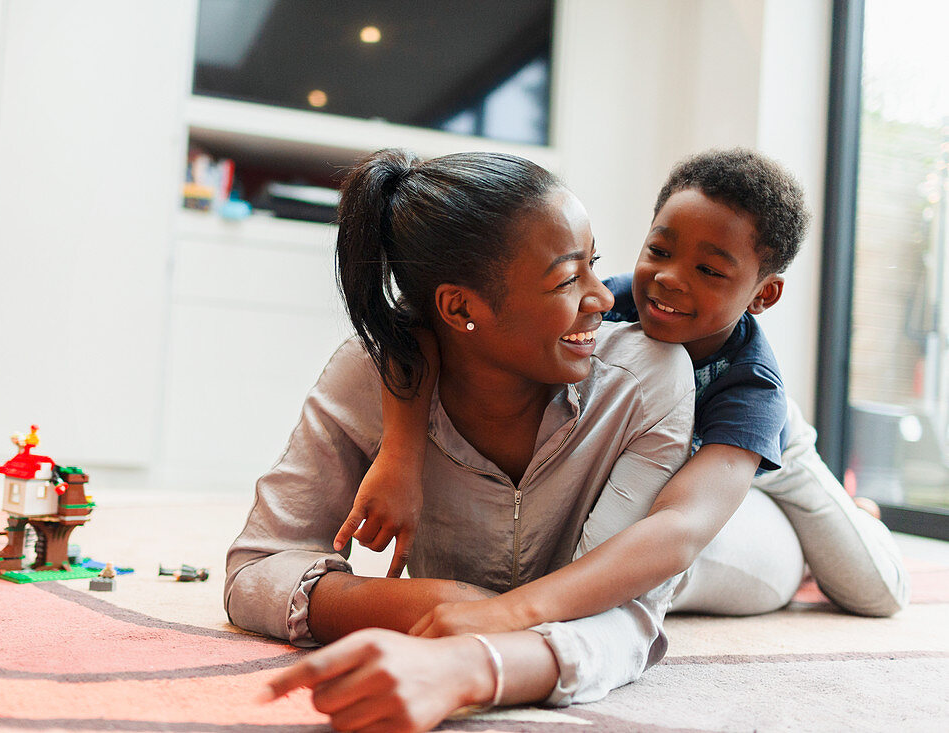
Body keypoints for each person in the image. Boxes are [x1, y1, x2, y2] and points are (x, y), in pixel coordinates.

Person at [338, 149, 910, 643]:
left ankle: (856, 515)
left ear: (763, 296)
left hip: (761, 460)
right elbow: (417, 331)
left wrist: (515, 611)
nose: (670, 278)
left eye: (710, 270)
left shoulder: (749, 389)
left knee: (874, 590)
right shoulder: (605, 304)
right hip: (670, 455)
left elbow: (681, 525)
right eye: (660, 250)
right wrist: (401, 454)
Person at [226, 149, 705, 730]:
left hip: (709, 537)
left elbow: (623, 609)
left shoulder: (647, 378)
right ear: (459, 308)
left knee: (810, 562)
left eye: (594, 265)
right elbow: (256, 570)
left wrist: (476, 663)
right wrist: (437, 603)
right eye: (565, 279)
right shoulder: (369, 374)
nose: (604, 298)